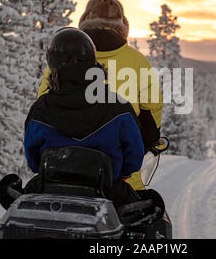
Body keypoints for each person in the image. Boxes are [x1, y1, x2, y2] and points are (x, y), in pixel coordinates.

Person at [37, 0, 163, 191]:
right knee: (145, 214)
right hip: (119, 175)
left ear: (85, 21)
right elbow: (152, 112)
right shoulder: (138, 62)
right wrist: (146, 143)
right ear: (123, 26)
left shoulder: (64, 58)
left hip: (59, 171)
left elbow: (42, 106)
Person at [23, 27, 143, 207]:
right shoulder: (120, 109)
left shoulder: (40, 110)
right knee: (149, 214)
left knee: (18, 207)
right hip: (108, 194)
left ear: (53, 66)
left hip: (49, 192)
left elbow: (33, 161)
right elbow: (134, 160)